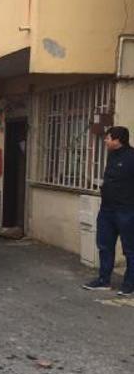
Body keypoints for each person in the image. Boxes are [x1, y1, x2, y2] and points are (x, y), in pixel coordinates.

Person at [83, 126, 134, 296]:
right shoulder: (112, 155)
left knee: (130, 248)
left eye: (108, 138)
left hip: (126, 211)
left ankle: (129, 284)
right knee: (104, 245)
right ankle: (104, 280)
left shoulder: (131, 157)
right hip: (107, 210)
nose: (105, 140)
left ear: (118, 140)